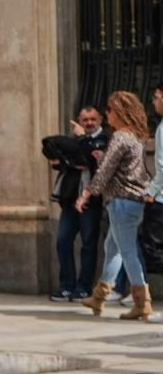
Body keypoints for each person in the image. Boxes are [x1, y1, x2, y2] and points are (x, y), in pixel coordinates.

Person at [78, 90, 152, 320]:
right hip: (132, 201)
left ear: (119, 112)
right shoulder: (136, 137)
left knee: (127, 250)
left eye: (109, 110)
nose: (106, 114)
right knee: (113, 248)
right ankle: (99, 298)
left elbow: (105, 170)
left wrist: (87, 193)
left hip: (121, 201)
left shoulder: (120, 137)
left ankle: (142, 301)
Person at [46, 106, 108, 301]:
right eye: (85, 120)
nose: (89, 123)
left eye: (93, 119)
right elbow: (69, 161)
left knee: (89, 244)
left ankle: (84, 287)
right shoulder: (75, 141)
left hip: (92, 200)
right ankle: (66, 285)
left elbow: (92, 162)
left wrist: (82, 142)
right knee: (63, 241)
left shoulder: (104, 140)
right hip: (70, 199)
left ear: (100, 120)